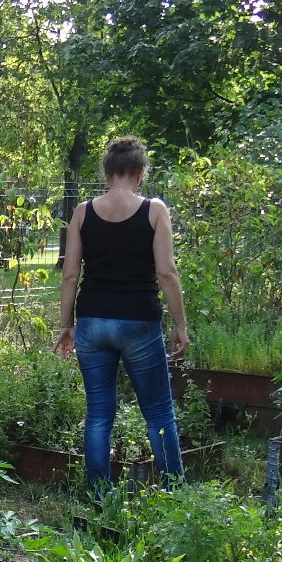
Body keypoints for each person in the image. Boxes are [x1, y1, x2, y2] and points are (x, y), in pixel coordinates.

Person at [54, 136, 191, 489]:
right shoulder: (155, 211)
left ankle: (99, 497)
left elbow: (70, 274)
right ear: (140, 173)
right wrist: (180, 324)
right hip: (139, 323)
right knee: (159, 412)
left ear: (106, 173)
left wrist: (65, 326)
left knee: (99, 415)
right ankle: (175, 493)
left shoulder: (82, 213)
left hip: (93, 322)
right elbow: (166, 273)